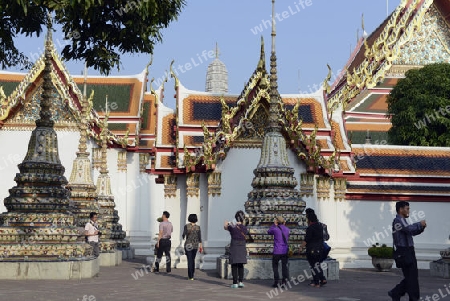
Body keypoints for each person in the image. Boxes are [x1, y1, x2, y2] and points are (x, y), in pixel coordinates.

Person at [388, 201, 426, 301]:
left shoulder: (403, 220)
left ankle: (396, 292)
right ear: (401, 209)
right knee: (411, 277)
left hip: (409, 250)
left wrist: (421, 228)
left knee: (412, 276)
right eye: (407, 208)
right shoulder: (397, 221)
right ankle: (411, 297)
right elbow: (408, 229)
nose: (408, 210)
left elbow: (412, 232)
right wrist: (419, 224)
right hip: (404, 252)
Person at [302, 211, 326, 288]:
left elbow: (307, 239)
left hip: (311, 249)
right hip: (320, 248)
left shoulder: (310, 228)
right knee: (317, 264)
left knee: (313, 266)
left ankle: (316, 282)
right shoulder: (320, 226)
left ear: (309, 220)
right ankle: (322, 279)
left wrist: (300, 247)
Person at [224, 210, 248, 288]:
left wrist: (227, 222)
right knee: (241, 264)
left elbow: (225, 227)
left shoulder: (232, 226)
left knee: (234, 264)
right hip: (242, 246)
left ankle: (235, 282)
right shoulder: (244, 228)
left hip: (234, 245)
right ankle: (240, 281)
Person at [268, 216, 290, 287]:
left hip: (277, 250)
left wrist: (274, 224)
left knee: (275, 267)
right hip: (284, 250)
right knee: (284, 267)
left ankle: (276, 282)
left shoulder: (275, 229)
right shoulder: (287, 229)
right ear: (283, 222)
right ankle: (284, 282)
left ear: (277, 222)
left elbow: (269, 232)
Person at [182, 213, 203, 280]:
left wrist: (185, 236)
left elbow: (183, 235)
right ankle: (192, 274)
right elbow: (199, 237)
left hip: (188, 244)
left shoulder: (186, 226)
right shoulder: (198, 227)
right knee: (192, 259)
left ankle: (190, 276)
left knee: (189, 260)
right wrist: (201, 245)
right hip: (195, 245)